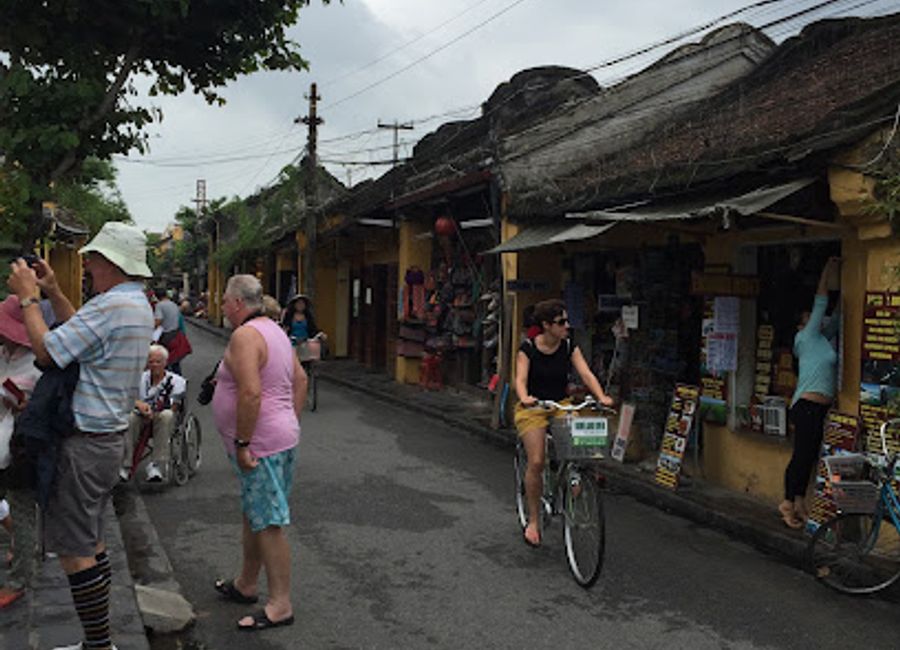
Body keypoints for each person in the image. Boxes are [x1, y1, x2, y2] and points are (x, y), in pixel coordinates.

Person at [7, 221, 154, 650]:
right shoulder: (134, 303)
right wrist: (53, 291)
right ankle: (98, 642)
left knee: (75, 552)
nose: (87, 265)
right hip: (106, 441)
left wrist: (28, 298)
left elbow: (47, 351)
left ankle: (98, 645)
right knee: (92, 540)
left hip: (84, 444)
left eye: (92, 258)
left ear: (111, 262)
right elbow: (80, 334)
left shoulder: (110, 306)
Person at [211, 275, 306, 632]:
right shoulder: (275, 331)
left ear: (237, 302)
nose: (221, 307)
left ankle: (281, 604)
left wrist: (243, 442)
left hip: (260, 444)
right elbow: (300, 380)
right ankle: (246, 583)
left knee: (268, 522)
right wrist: (288, 420)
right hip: (278, 437)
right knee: (255, 513)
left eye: (224, 300)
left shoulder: (246, 336)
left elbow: (251, 392)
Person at [514, 299, 614, 548]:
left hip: (561, 404)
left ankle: (573, 475)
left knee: (581, 448)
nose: (566, 326)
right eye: (561, 322)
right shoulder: (528, 348)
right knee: (537, 461)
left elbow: (586, 373)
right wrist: (525, 397)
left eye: (567, 321)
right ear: (546, 325)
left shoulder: (569, 346)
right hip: (534, 407)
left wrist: (601, 396)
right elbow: (520, 379)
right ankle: (534, 521)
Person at [779, 256, 841, 529]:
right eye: (808, 317)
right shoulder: (805, 338)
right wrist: (827, 270)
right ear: (801, 324)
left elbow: (837, 315)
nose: (814, 318)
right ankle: (787, 502)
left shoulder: (823, 340)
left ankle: (800, 503)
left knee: (809, 458)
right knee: (801, 456)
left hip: (820, 408)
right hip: (806, 406)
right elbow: (821, 301)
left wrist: (848, 281)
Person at [0, 295, 43, 609]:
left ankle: (19, 578)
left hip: (19, 450)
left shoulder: (35, 365)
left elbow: (17, 398)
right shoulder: (4, 354)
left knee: (23, 510)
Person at [121, 344, 187, 483]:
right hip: (141, 415)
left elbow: (174, 406)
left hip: (163, 415)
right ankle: (126, 464)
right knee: (130, 418)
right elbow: (128, 397)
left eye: (158, 361)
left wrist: (155, 412)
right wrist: (139, 404)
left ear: (165, 362)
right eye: (151, 362)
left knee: (166, 416)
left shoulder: (177, 381)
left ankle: (156, 465)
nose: (154, 365)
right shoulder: (140, 378)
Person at [154, 289, 183, 372]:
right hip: (176, 333)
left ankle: (165, 375)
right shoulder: (174, 304)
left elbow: (159, 320)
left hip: (166, 335)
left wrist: (151, 328)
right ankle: (177, 375)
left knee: (163, 357)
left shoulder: (159, 305)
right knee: (175, 359)